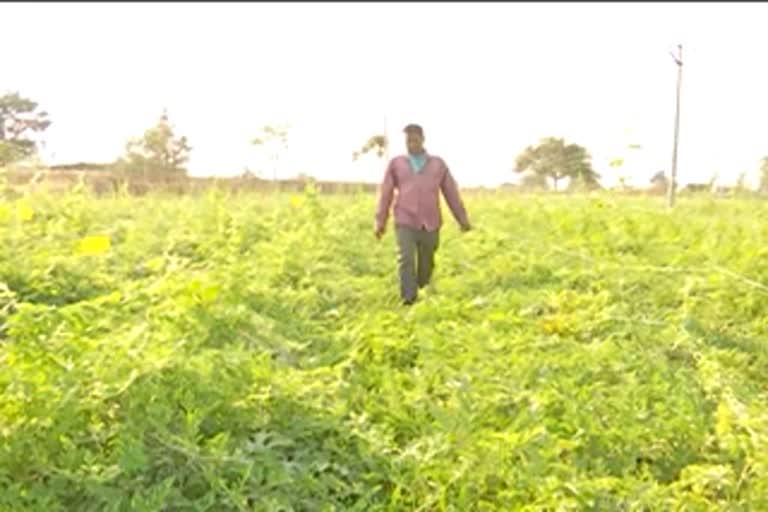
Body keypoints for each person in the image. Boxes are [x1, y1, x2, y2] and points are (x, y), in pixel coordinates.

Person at [374, 123, 471, 305]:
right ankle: (408, 299)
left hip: (431, 221)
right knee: (406, 259)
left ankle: (423, 290)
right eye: (408, 141)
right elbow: (386, 193)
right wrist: (380, 221)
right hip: (405, 219)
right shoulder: (396, 164)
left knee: (427, 261)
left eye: (415, 140)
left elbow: (451, 193)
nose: (411, 144)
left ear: (423, 140)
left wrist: (462, 219)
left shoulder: (438, 164)